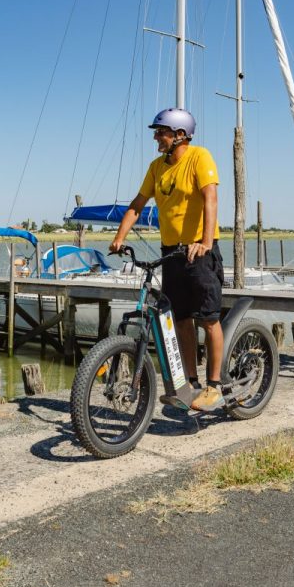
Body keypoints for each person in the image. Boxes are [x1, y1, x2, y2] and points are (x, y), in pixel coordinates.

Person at [110, 107, 225, 411]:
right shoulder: (156, 167)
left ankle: (215, 386)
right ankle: (190, 383)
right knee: (181, 320)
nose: (156, 138)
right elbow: (137, 204)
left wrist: (205, 241)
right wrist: (120, 237)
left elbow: (210, 198)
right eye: (157, 132)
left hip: (200, 250)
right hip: (171, 252)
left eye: (160, 132)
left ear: (180, 135)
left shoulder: (200, 157)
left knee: (209, 319)